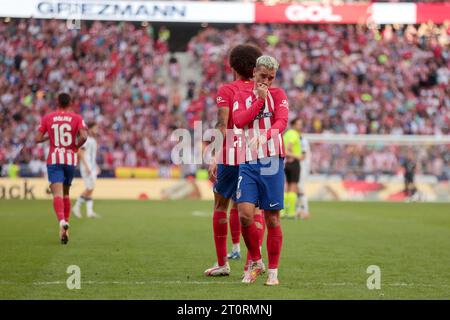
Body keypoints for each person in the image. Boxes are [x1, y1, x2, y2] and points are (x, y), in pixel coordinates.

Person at [204, 44, 264, 277]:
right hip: (256, 154)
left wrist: (214, 155)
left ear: (232, 66)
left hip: (231, 153)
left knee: (221, 205)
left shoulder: (227, 90)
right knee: (255, 210)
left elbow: (222, 124)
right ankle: (252, 264)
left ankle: (222, 263)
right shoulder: (263, 89)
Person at [233, 55, 289, 286]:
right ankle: (256, 260)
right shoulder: (242, 95)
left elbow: (281, 122)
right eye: (263, 75)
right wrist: (259, 100)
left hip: (272, 160)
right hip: (248, 160)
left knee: (272, 218)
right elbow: (239, 120)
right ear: (254, 72)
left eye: (271, 78)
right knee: (245, 214)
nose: (267, 81)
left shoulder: (279, 95)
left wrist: (265, 136)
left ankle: (273, 272)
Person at [35, 93, 88, 244]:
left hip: (55, 159)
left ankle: (61, 221)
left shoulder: (48, 117)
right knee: (66, 193)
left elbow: (37, 138)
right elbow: (84, 136)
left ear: (57, 101)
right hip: (70, 159)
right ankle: (66, 228)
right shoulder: (77, 118)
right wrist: (74, 147)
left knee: (56, 193)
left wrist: (48, 137)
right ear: (70, 103)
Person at [72, 122, 101, 218]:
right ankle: (77, 206)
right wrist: (87, 166)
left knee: (91, 189)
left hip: (91, 167)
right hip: (87, 167)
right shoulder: (86, 139)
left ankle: (90, 212)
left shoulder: (93, 140)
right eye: (95, 128)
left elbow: (92, 156)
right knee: (90, 188)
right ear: (90, 129)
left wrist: (95, 166)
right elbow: (80, 153)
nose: (97, 130)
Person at [282, 118, 304, 219]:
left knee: (285, 187)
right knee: (293, 186)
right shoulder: (294, 135)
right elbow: (288, 148)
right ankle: (290, 212)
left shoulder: (286, 134)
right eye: (299, 124)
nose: (301, 126)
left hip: (284, 162)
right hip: (293, 163)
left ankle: (282, 211)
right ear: (294, 125)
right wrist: (296, 156)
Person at [297, 132, 311, 219]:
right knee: (297, 189)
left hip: (301, 167)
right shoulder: (299, 139)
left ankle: (305, 211)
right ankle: (299, 210)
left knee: (300, 188)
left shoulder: (302, 140)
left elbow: (303, 156)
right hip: (298, 167)